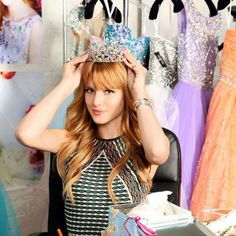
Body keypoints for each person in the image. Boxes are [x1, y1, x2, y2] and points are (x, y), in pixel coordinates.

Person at [15, 50, 169, 235]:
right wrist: (66, 84)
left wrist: (139, 93)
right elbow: (25, 134)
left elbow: (158, 153)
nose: (96, 101)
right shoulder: (71, 141)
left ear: (126, 94)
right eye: (90, 90)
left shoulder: (140, 145)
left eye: (109, 91)